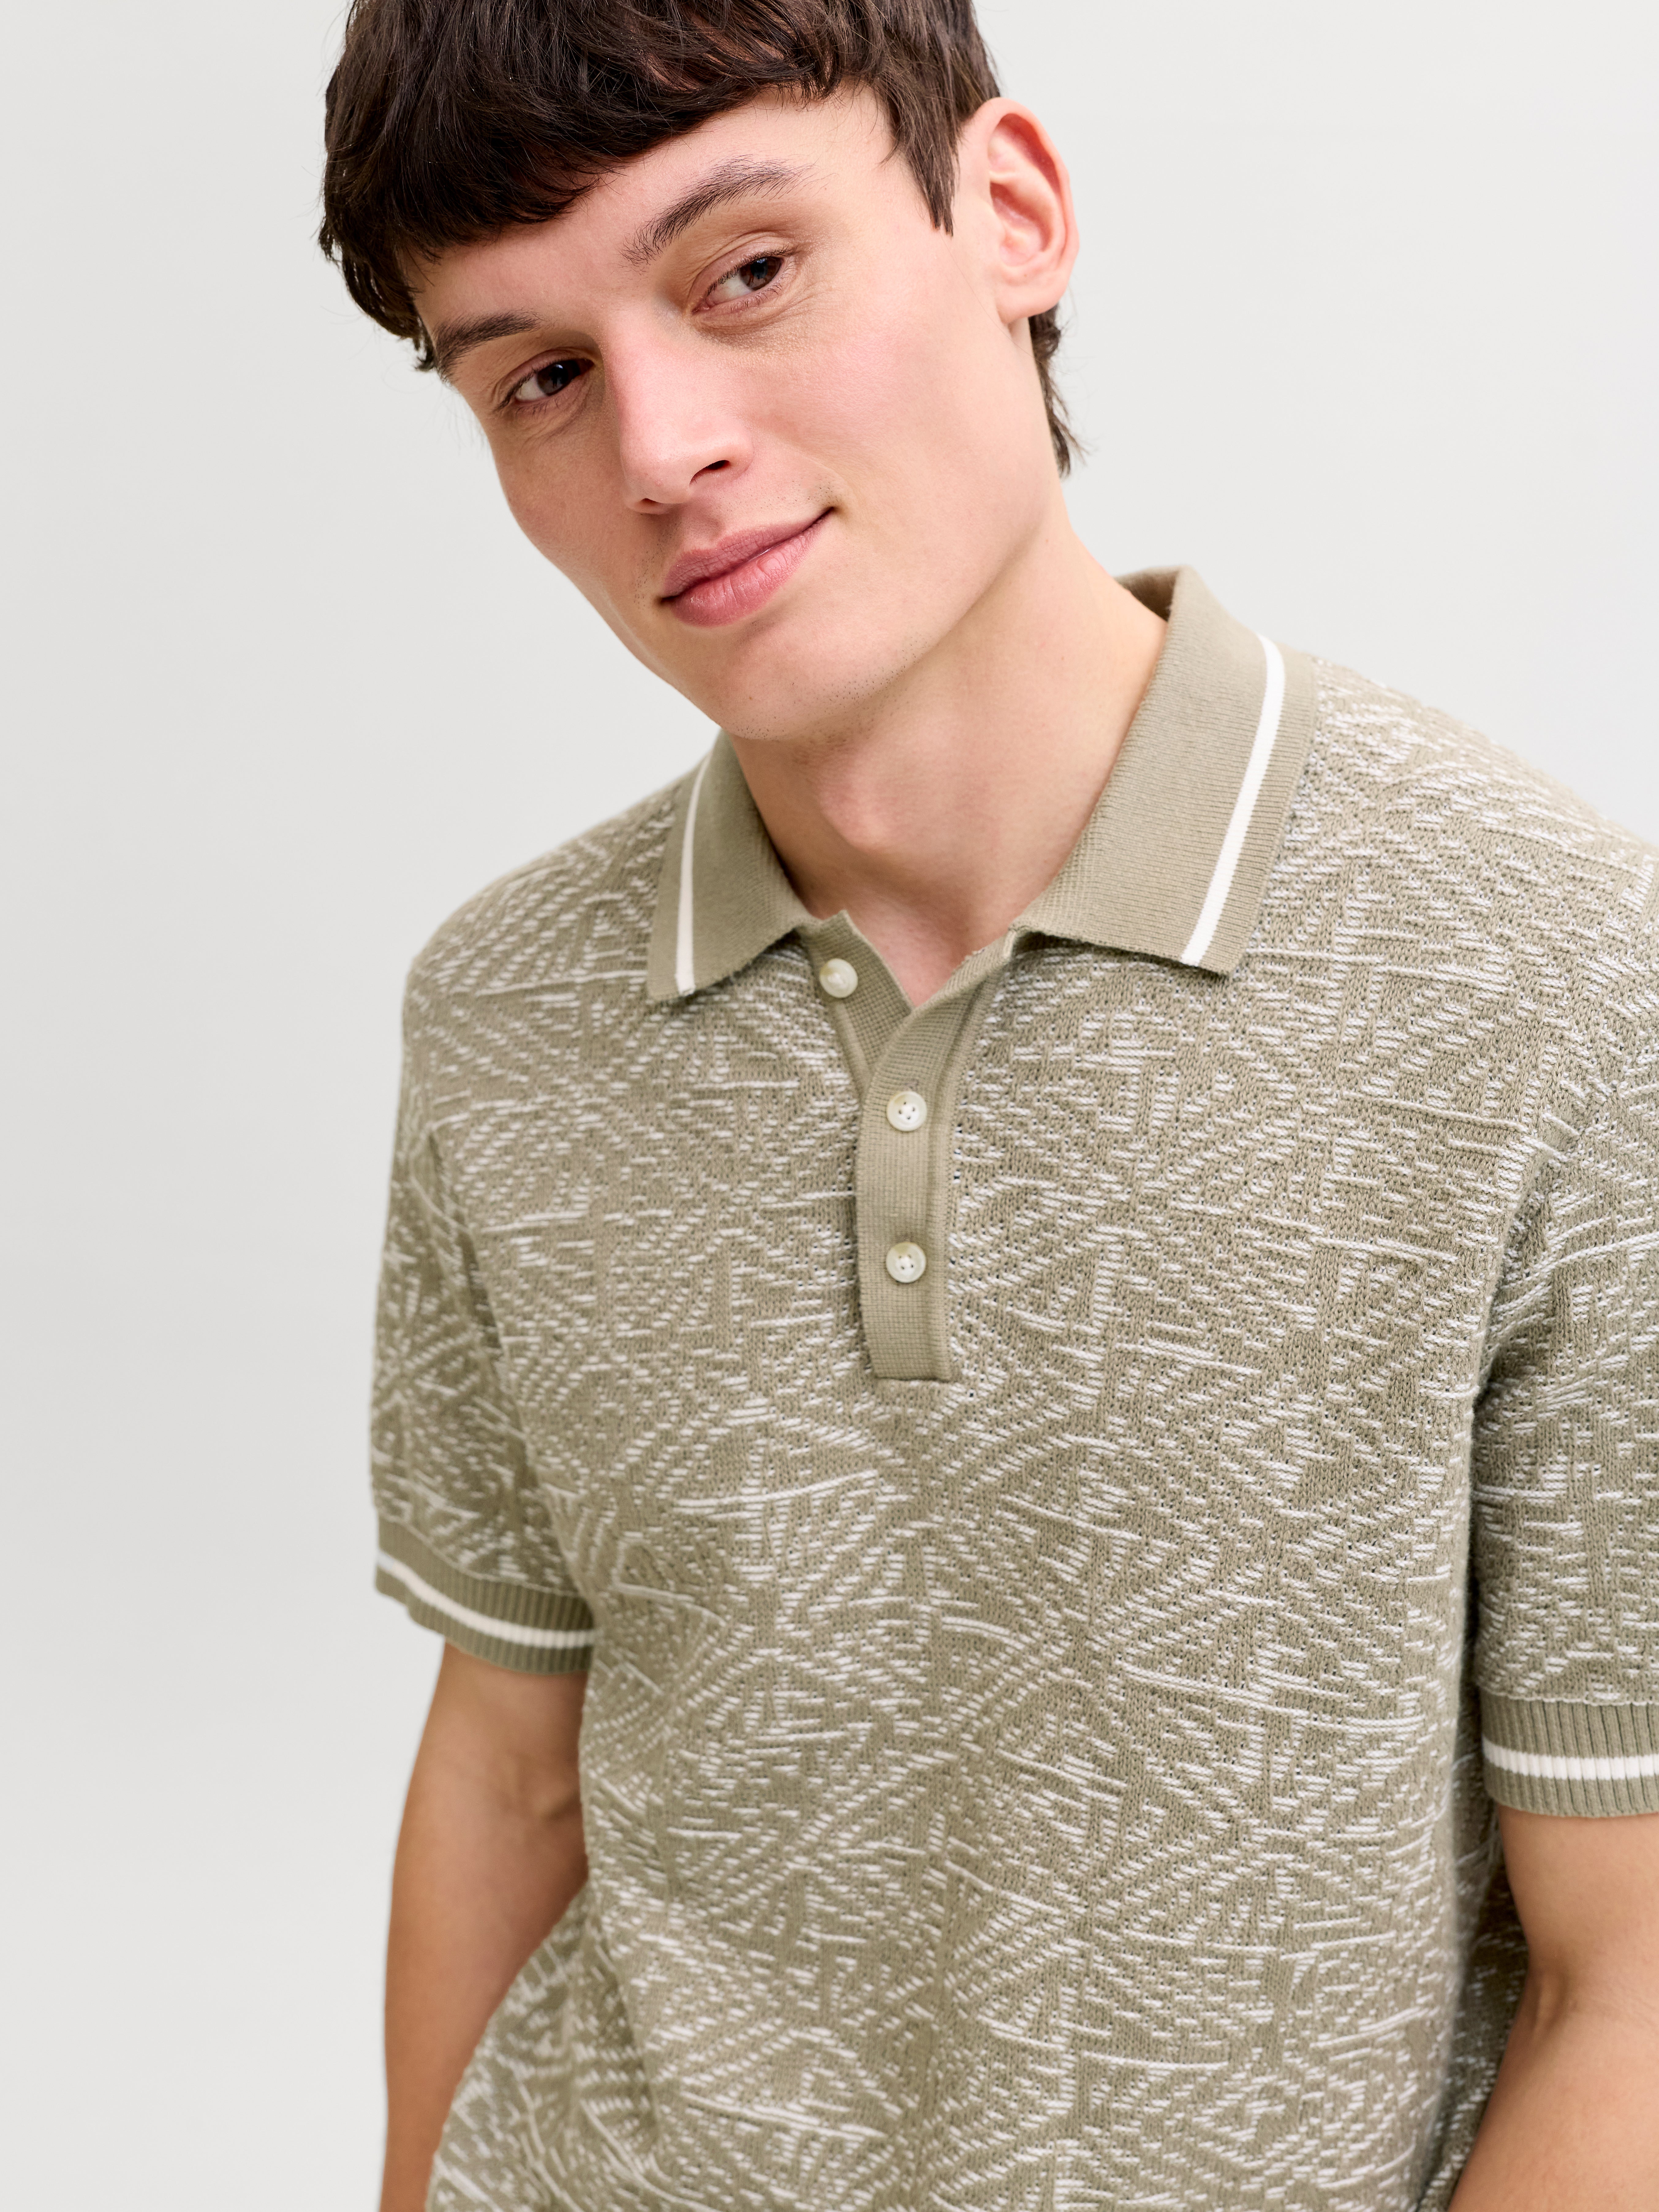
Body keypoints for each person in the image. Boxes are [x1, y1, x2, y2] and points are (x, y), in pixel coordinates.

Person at [319, 3, 1659, 2206]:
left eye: (748, 271)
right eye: (538, 376)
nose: (662, 446)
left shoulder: (1551, 977)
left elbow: (1629, 1975)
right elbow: (509, 1768)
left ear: (1010, 212)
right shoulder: (504, 1011)